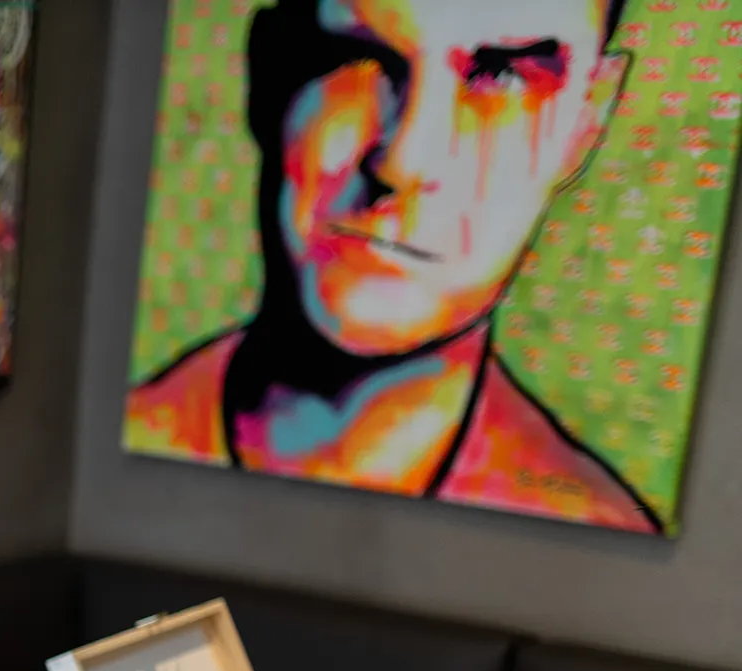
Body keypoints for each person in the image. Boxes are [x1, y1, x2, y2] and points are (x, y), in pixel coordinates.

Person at [126, 0, 659, 532]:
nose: (404, 160)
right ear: (268, 71)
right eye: (351, 55)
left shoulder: (602, 543)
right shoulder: (110, 452)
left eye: (502, 74)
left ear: (588, 122)